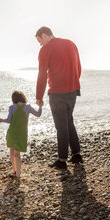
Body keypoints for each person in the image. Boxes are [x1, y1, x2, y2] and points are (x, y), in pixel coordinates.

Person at [35, 26, 82, 170]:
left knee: (61, 126)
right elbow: (78, 68)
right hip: (73, 90)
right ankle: (76, 154)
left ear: (44, 35)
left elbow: (42, 73)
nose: (41, 45)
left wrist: (39, 96)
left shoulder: (46, 49)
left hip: (57, 93)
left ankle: (62, 160)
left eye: (39, 41)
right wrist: (72, 85)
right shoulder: (71, 43)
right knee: (69, 121)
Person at [0, 90, 42, 178]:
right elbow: (38, 114)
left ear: (14, 99)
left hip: (12, 132)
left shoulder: (12, 107)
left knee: (12, 151)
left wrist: (1, 120)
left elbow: (9, 120)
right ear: (23, 97)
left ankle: (15, 169)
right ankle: (18, 174)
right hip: (22, 133)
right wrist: (40, 106)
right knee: (17, 154)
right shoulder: (28, 107)